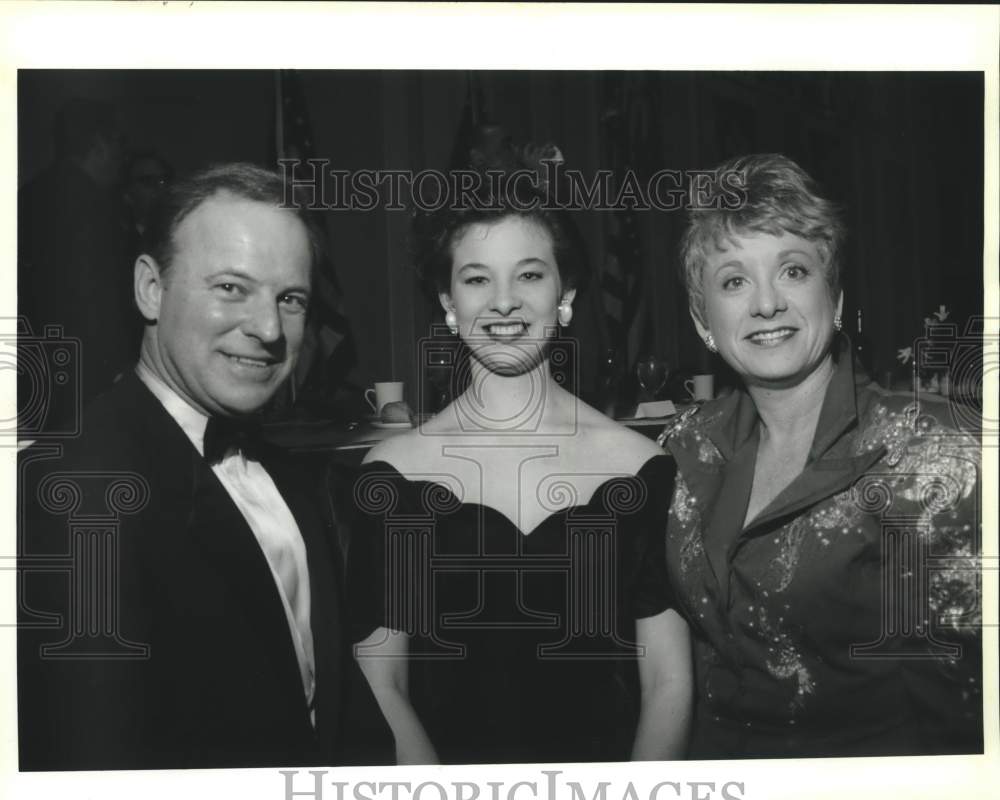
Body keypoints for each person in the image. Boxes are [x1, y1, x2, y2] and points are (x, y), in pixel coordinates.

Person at [18, 163, 390, 770]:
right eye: (231, 288)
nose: (269, 329)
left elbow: (333, 704)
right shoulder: (61, 493)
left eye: (290, 299)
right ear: (150, 288)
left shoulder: (291, 478)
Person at [347, 168, 692, 764]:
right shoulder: (391, 476)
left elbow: (668, 680)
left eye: (529, 275)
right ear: (449, 305)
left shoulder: (644, 469)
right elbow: (384, 685)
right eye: (477, 279)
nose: (504, 301)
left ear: (565, 297)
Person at [659, 153, 982, 758]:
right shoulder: (684, 446)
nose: (765, 304)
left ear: (834, 301)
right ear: (704, 323)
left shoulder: (933, 451)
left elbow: (966, 708)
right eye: (733, 281)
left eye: (793, 272)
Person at [18, 98, 138, 429]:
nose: (123, 155)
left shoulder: (29, 196)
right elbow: (99, 300)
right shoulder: (97, 208)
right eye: (119, 142)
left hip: (36, 370)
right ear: (100, 143)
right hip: (86, 375)